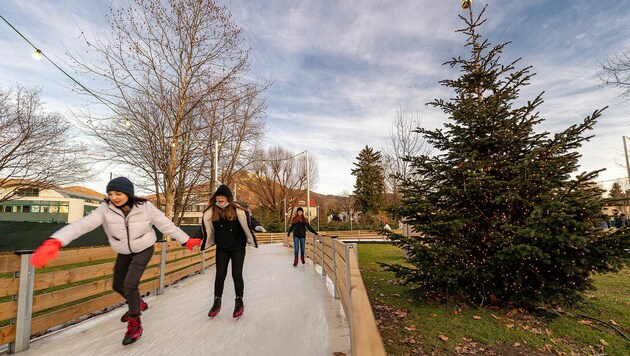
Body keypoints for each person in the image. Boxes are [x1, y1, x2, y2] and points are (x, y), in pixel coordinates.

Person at [29, 177, 201, 346]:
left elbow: (166, 225)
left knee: (130, 284)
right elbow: (83, 225)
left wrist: (186, 240)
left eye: (118, 193)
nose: (114, 197)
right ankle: (138, 303)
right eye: (110, 193)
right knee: (118, 285)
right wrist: (56, 240)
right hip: (123, 251)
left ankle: (135, 324)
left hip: (144, 247)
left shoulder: (145, 207)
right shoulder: (105, 209)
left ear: (128, 193)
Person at [194, 185, 258, 319]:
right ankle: (217, 301)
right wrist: (196, 237)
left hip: (238, 247)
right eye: (218, 196)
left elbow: (249, 219)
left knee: (237, 274)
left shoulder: (237, 210)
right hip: (222, 248)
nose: (220, 198)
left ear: (228, 198)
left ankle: (239, 301)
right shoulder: (212, 212)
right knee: (220, 274)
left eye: (222, 196)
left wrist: (256, 226)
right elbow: (204, 228)